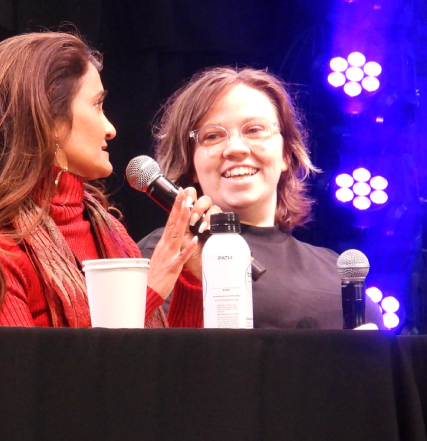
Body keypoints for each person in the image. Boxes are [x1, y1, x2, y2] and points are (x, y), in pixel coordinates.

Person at [0, 32, 212, 327]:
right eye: (97, 105)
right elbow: (18, 371)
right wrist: (148, 291)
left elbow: (168, 366)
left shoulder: (110, 232)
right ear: (49, 123)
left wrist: (190, 276)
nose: (110, 129)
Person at [137, 67, 383, 329]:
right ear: (192, 165)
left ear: (287, 153)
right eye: (213, 136)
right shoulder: (165, 253)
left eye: (254, 130)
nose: (236, 148)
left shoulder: (336, 267)